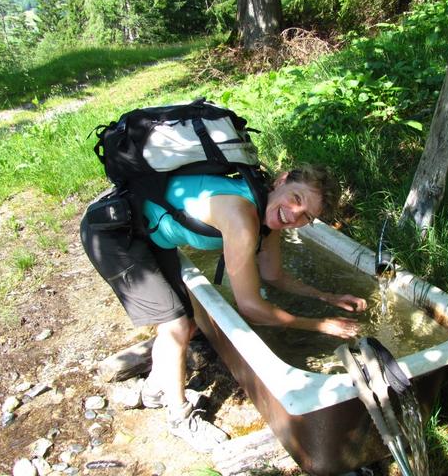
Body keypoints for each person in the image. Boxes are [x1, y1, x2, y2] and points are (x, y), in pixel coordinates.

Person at [80, 164, 367, 451]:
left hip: (151, 232)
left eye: (307, 216)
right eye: (297, 198)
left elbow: (274, 275)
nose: (294, 214)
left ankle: (157, 389)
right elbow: (252, 308)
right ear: (281, 181)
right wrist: (320, 325)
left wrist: (326, 296)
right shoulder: (242, 217)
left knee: (188, 323)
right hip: (115, 231)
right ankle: (179, 418)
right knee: (175, 326)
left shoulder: (268, 218)